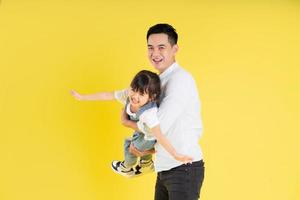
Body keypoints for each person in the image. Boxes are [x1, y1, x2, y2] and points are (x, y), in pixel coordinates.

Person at [121, 24, 205, 199]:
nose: (155, 53)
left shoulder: (179, 79)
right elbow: (162, 131)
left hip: (183, 169)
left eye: (162, 47)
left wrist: (128, 123)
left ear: (175, 49)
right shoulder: (158, 81)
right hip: (166, 167)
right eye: (150, 48)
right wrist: (148, 151)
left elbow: (158, 127)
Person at [70, 70, 193, 178]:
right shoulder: (128, 94)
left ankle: (127, 167)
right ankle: (146, 164)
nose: (135, 96)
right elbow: (108, 95)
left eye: (141, 94)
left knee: (131, 147)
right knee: (135, 140)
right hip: (140, 131)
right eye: (134, 90)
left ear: (151, 97)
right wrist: (82, 97)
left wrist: (176, 154)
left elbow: (159, 135)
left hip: (149, 137)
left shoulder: (149, 114)